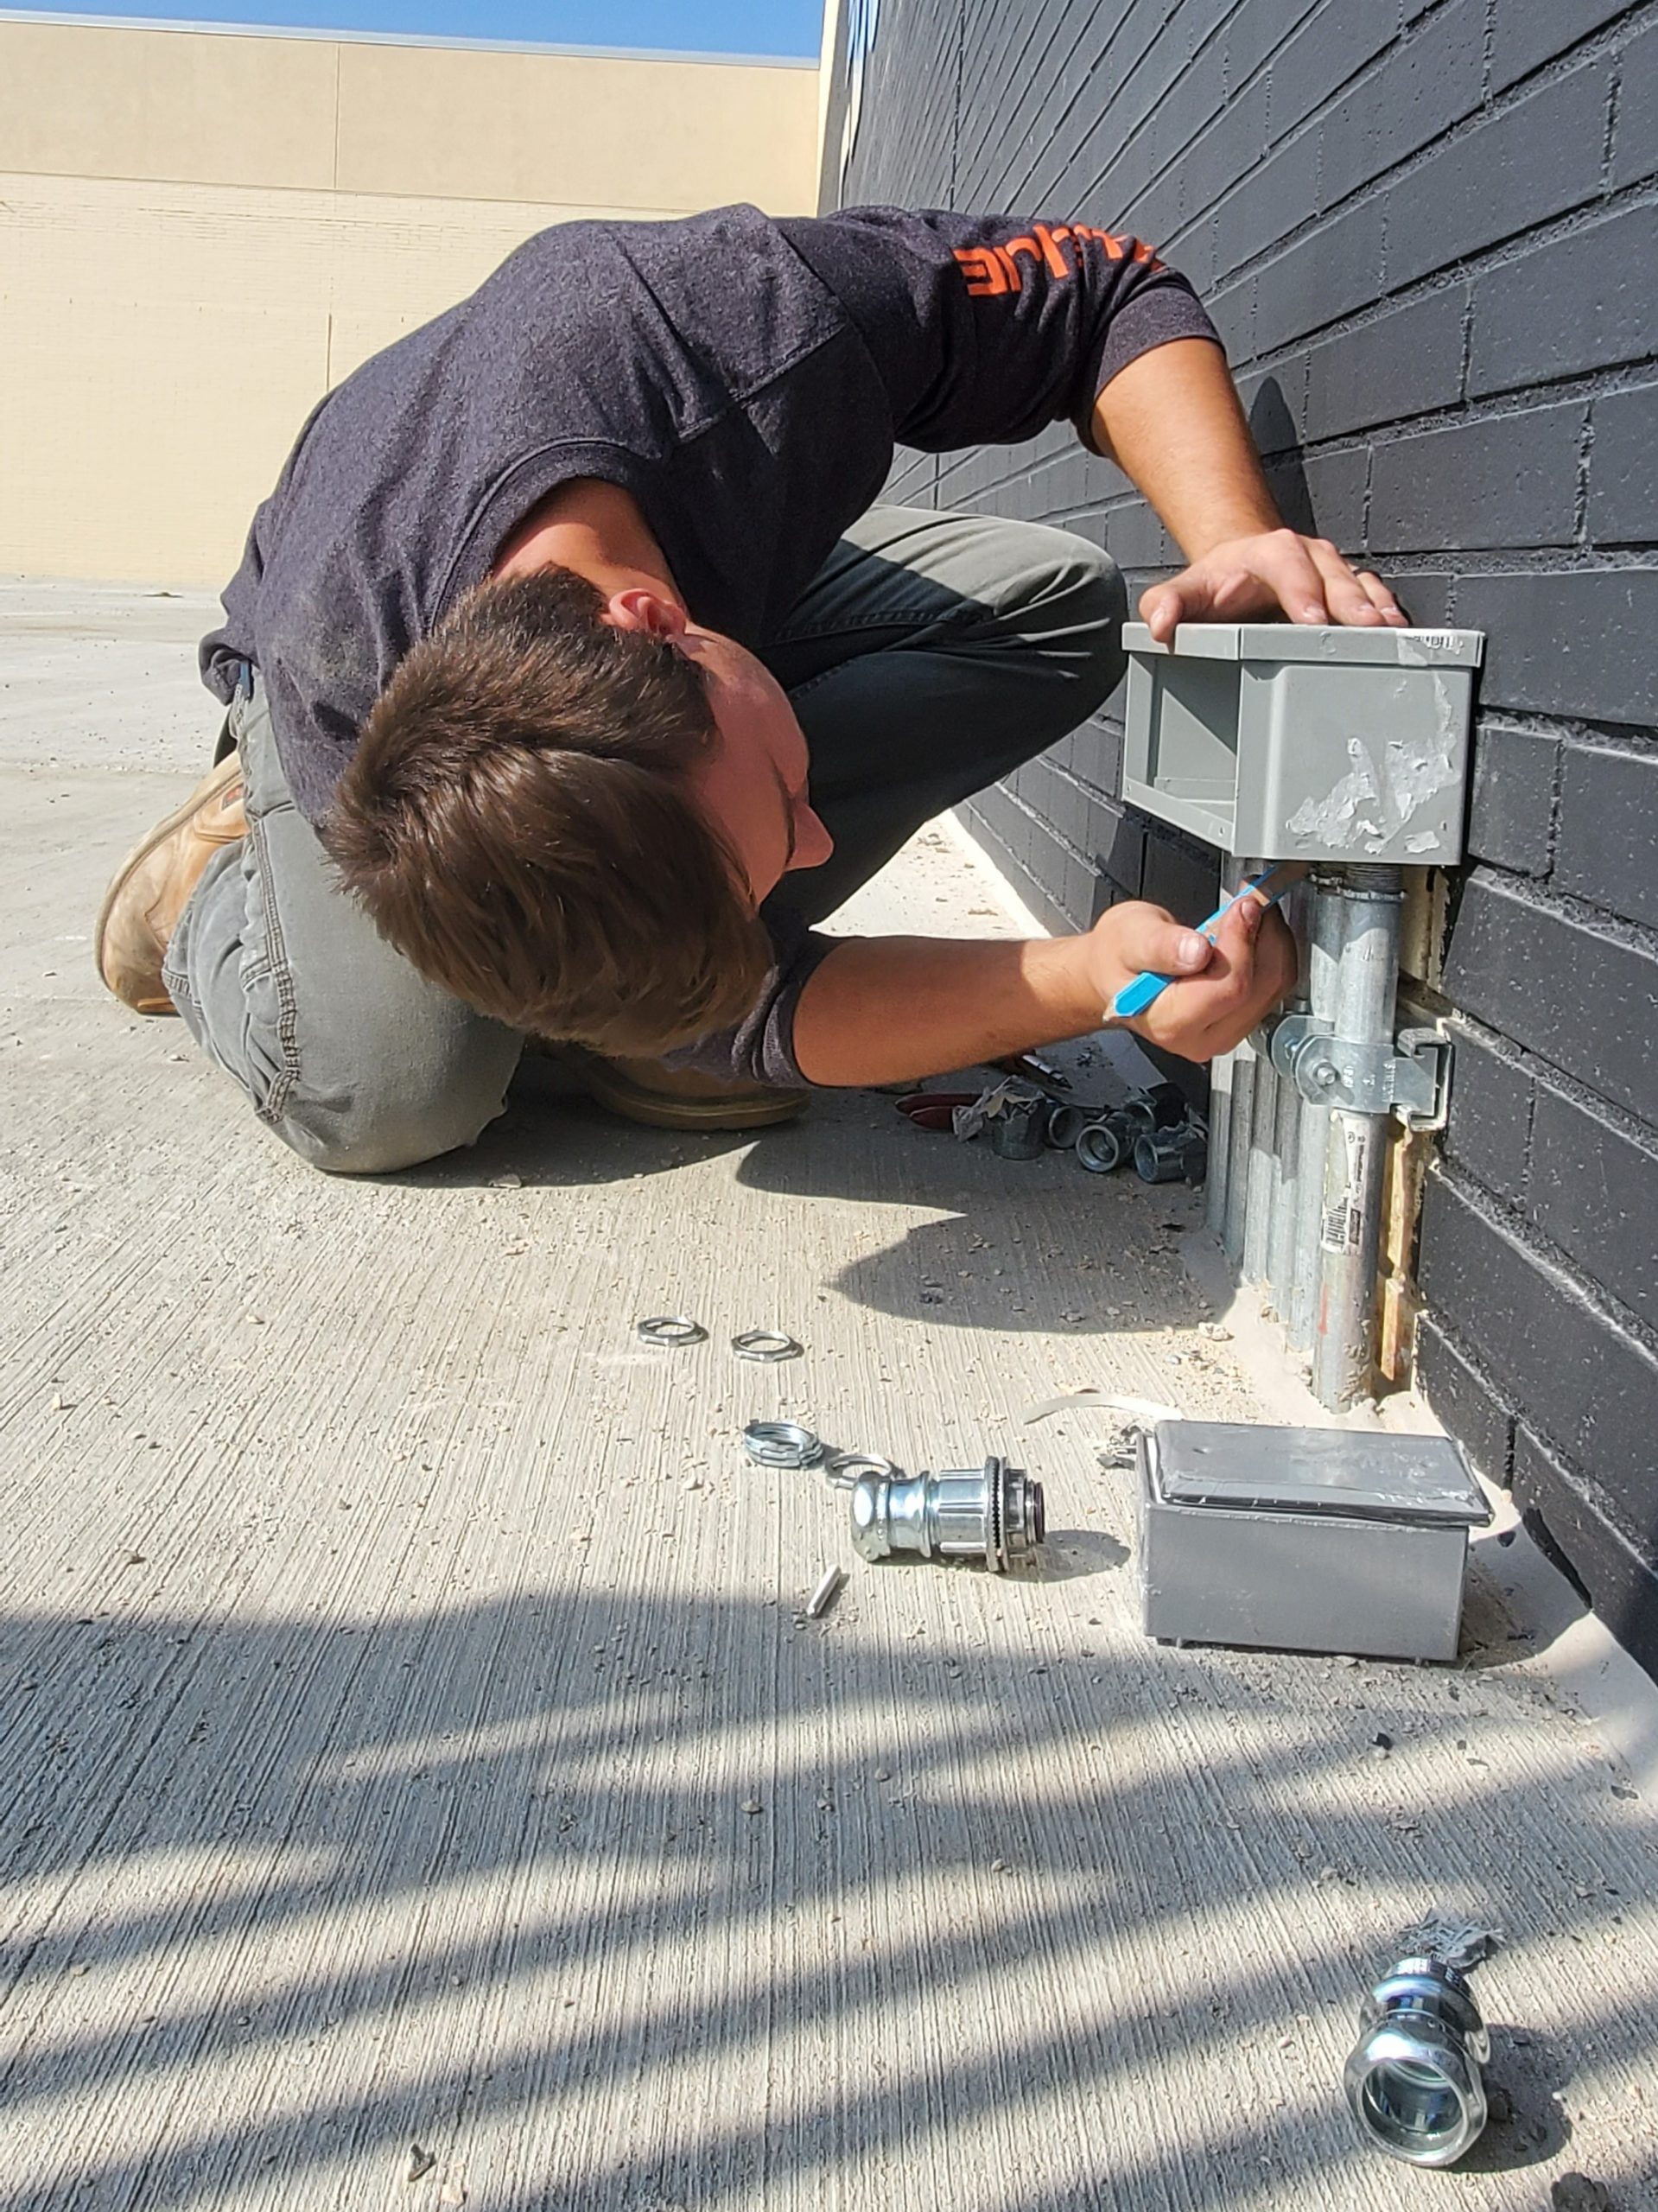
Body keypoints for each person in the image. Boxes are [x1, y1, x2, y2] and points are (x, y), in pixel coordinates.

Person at [95, 205, 1403, 1175]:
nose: (826, 828)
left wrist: (1231, 536)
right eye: (785, 804)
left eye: (784, 788)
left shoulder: (741, 336)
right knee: (396, 1096)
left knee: (1055, 605)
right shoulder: (348, 697)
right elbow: (738, 1023)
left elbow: (1107, 292)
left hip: (656, 495)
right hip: (304, 668)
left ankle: (642, 990)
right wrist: (1081, 981)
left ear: (666, 626)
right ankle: (215, 896)